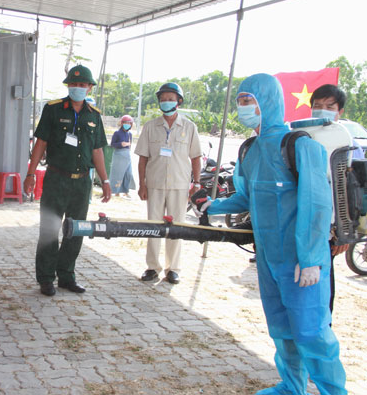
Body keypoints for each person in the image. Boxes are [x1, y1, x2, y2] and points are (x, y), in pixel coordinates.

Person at [199, 73, 347, 395]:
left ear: (267, 102)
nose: (243, 108)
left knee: (312, 332)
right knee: (282, 328)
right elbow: (245, 196)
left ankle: (334, 392)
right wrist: (213, 206)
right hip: (267, 257)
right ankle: (292, 386)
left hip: (300, 260)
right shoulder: (250, 150)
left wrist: (310, 259)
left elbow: (316, 204)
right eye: (239, 101)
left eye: (248, 101)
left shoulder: (298, 145)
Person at [24, 65, 112, 297]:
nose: (77, 88)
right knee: (50, 231)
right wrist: (30, 174)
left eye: (82, 85)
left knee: (77, 231)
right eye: (73, 84)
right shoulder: (53, 110)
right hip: (56, 179)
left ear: (90, 87)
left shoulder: (94, 115)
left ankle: (66, 276)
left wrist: (105, 180)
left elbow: (98, 151)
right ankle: (45, 278)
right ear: (68, 86)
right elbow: (41, 143)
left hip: (82, 183)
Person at [134, 82, 202, 284]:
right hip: (154, 184)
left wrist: (196, 184)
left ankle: (173, 268)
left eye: (170, 99)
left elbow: (196, 157)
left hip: (179, 186)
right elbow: (143, 158)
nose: (166, 102)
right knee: (153, 226)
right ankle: (152, 267)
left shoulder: (189, 127)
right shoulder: (150, 126)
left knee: (176, 228)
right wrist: (142, 184)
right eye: (163, 99)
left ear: (179, 101)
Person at [310, 84, 364, 315]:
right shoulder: (303, 136)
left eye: (329, 106)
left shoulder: (348, 143)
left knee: (323, 284)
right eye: (317, 106)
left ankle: (323, 328)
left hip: (330, 228)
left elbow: (352, 192)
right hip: (304, 222)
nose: (323, 110)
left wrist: (344, 233)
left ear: (339, 111)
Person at [109, 115, 136, 197]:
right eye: (125, 122)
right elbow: (112, 144)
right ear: (122, 123)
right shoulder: (117, 133)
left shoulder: (129, 134)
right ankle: (116, 192)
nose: (127, 124)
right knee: (118, 174)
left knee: (128, 173)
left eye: (129, 123)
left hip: (127, 155)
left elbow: (130, 145)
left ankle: (126, 191)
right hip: (118, 155)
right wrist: (121, 144)